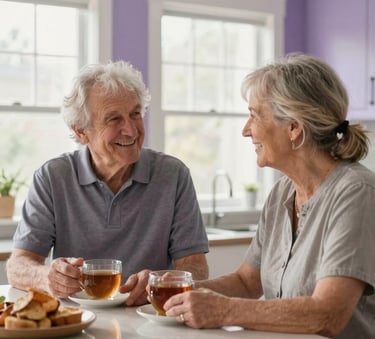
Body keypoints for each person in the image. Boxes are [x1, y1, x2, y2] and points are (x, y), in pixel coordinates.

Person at [163, 54, 375, 338]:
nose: (245, 130)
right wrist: (179, 292)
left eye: (254, 115)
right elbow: (246, 281)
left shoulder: (356, 193)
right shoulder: (282, 192)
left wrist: (223, 311)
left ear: (294, 129)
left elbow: (329, 313)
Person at [6, 60, 209, 305]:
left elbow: (196, 268)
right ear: (81, 131)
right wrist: (47, 276)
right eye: (114, 119)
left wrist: (159, 279)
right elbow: (17, 266)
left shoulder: (173, 175)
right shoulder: (52, 177)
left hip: (149, 318)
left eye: (135, 114)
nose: (131, 130)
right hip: (75, 318)